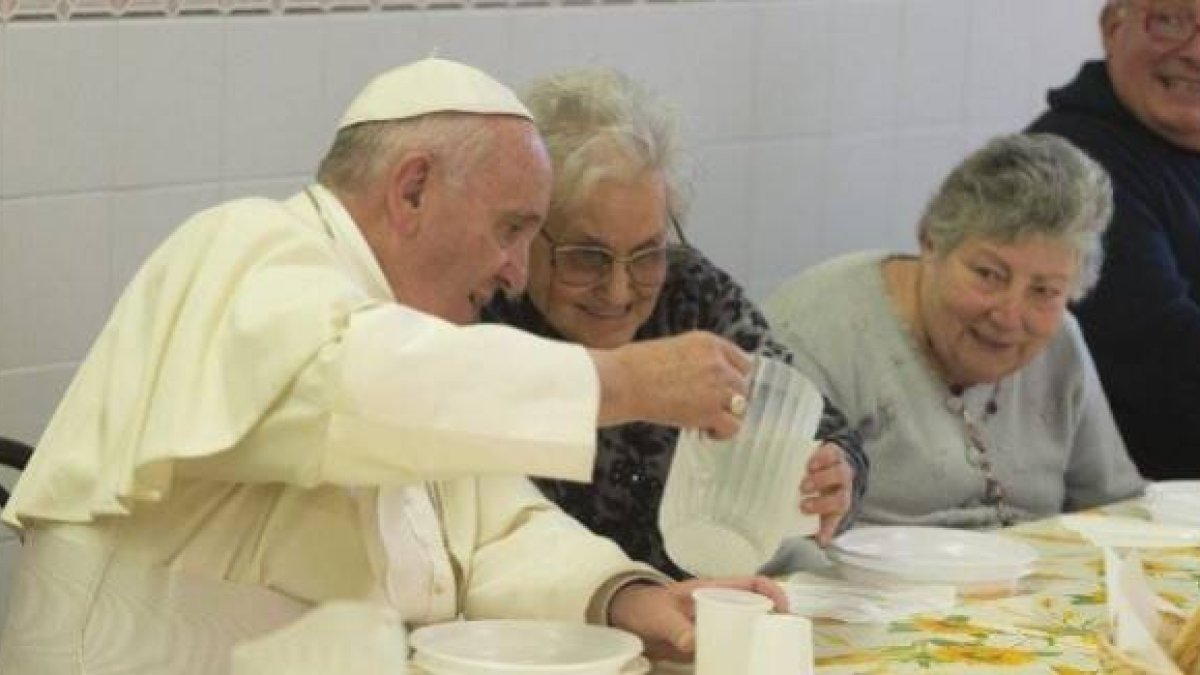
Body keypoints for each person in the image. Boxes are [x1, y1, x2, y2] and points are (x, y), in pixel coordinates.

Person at [0, 58, 784, 675]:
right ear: (411, 189)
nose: (516, 271)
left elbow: (490, 528)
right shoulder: (248, 245)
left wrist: (632, 598)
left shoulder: (406, 337)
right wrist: (628, 382)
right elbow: (343, 384)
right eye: (511, 228)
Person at [482, 68, 866, 578]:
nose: (619, 290)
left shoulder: (689, 292)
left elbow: (816, 423)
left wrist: (834, 472)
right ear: (526, 229)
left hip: (696, 614)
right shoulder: (484, 308)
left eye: (646, 254)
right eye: (586, 257)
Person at [763, 133, 1145, 529]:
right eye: (988, 275)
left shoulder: (1060, 341)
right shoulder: (818, 334)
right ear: (931, 242)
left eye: (1045, 291)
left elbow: (1116, 509)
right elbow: (776, 549)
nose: (1010, 316)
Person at [1026, 0, 1200, 480]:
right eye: (1170, 20)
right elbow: (1170, 366)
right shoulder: (1070, 169)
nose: (1195, 52)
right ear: (1111, 26)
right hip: (1125, 510)